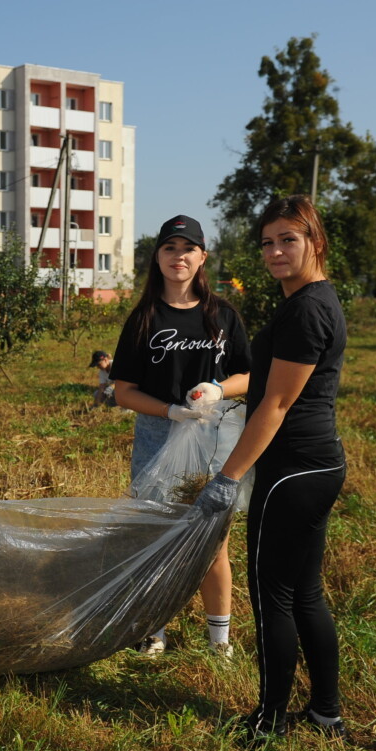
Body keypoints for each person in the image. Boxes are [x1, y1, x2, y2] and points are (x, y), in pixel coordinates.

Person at [194, 196, 350, 743]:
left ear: (315, 241)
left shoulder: (308, 308)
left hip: (291, 473)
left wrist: (227, 477)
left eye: (289, 239)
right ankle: (326, 714)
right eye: (267, 242)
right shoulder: (316, 299)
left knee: (272, 598)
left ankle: (268, 721)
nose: (276, 251)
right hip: (317, 465)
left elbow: (276, 407)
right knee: (305, 593)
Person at [109, 215, 250, 657]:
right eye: (170, 248)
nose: (179, 256)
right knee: (157, 535)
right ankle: (154, 630)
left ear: (202, 257)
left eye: (188, 248)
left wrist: (219, 388)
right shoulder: (144, 318)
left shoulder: (222, 316)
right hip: (158, 435)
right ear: (158, 257)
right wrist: (170, 409)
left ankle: (219, 642)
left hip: (216, 437)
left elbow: (250, 373)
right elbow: (124, 391)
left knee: (214, 540)